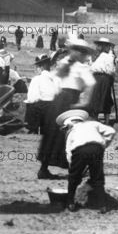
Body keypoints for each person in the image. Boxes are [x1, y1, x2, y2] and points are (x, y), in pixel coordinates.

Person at [38, 40, 96, 179]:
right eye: (83, 53)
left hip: (58, 100)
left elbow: (54, 80)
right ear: (80, 53)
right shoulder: (81, 68)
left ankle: (44, 168)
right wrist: (85, 102)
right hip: (70, 100)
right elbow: (91, 84)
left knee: (53, 133)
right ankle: (73, 168)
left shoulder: (64, 63)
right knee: (72, 134)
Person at [58, 109, 115, 213]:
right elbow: (111, 131)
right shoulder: (93, 124)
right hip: (96, 148)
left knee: (73, 178)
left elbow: (69, 152)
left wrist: (74, 168)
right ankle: (102, 205)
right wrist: (103, 144)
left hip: (79, 150)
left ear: (69, 125)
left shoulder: (71, 132)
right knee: (97, 176)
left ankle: (70, 202)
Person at [24, 54, 58, 134]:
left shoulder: (37, 79)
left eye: (37, 67)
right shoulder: (55, 78)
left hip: (42, 107)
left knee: (30, 104)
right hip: (54, 107)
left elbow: (33, 98)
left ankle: (33, 128)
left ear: (41, 67)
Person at [89, 38, 117, 125]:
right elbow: (111, 70)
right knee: (103, 98)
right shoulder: (108, 56)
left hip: (98, 78)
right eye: (107, 46)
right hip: (103, 78)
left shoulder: (94, 56)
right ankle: (104, 120)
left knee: (98, 97)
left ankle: (97, 119)